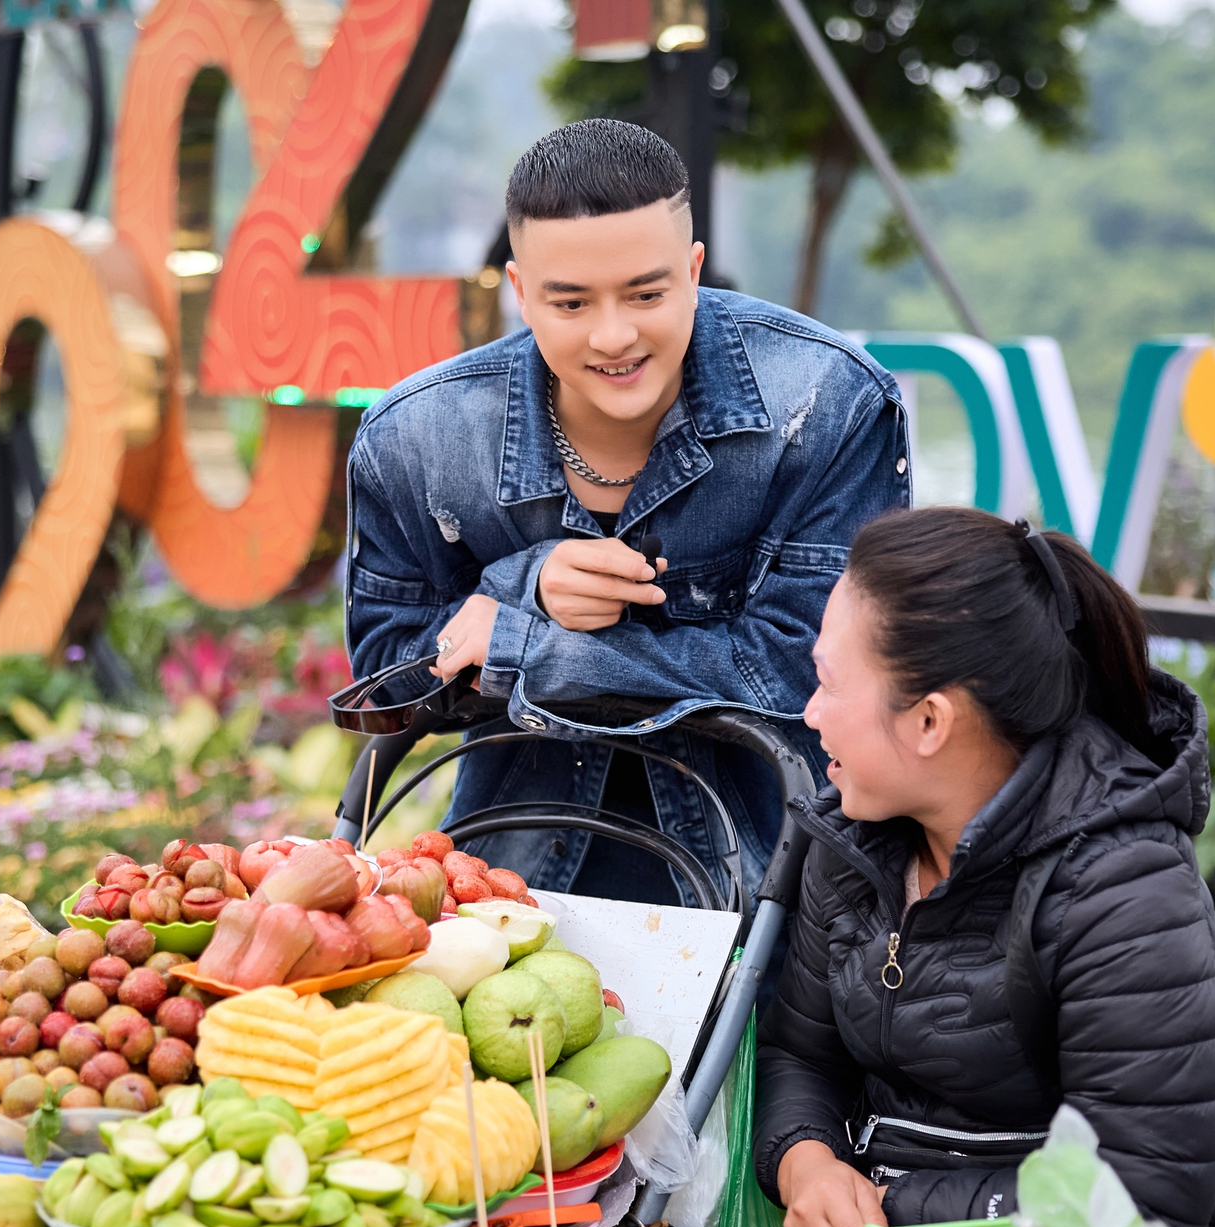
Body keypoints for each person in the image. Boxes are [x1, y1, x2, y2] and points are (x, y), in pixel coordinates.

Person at [755, 507, 1215, 1227]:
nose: (810, 711)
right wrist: (810, 1168)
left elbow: (1126, 1208)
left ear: (931, 720)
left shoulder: (1124, 887)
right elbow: (801, 1050)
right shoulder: (858, 836)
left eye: (830, 681)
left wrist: (882, 1210)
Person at [344, 119, 905, 902]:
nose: (614, 336)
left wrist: (531, 646)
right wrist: (524, 582)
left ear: (695, 268)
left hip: (774, 886)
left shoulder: (824, 403)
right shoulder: (420, 436)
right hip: (510, 883)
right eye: (570, 303)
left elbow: (808, 670)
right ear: (519, 293)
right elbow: (384, 677)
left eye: (647, 293)